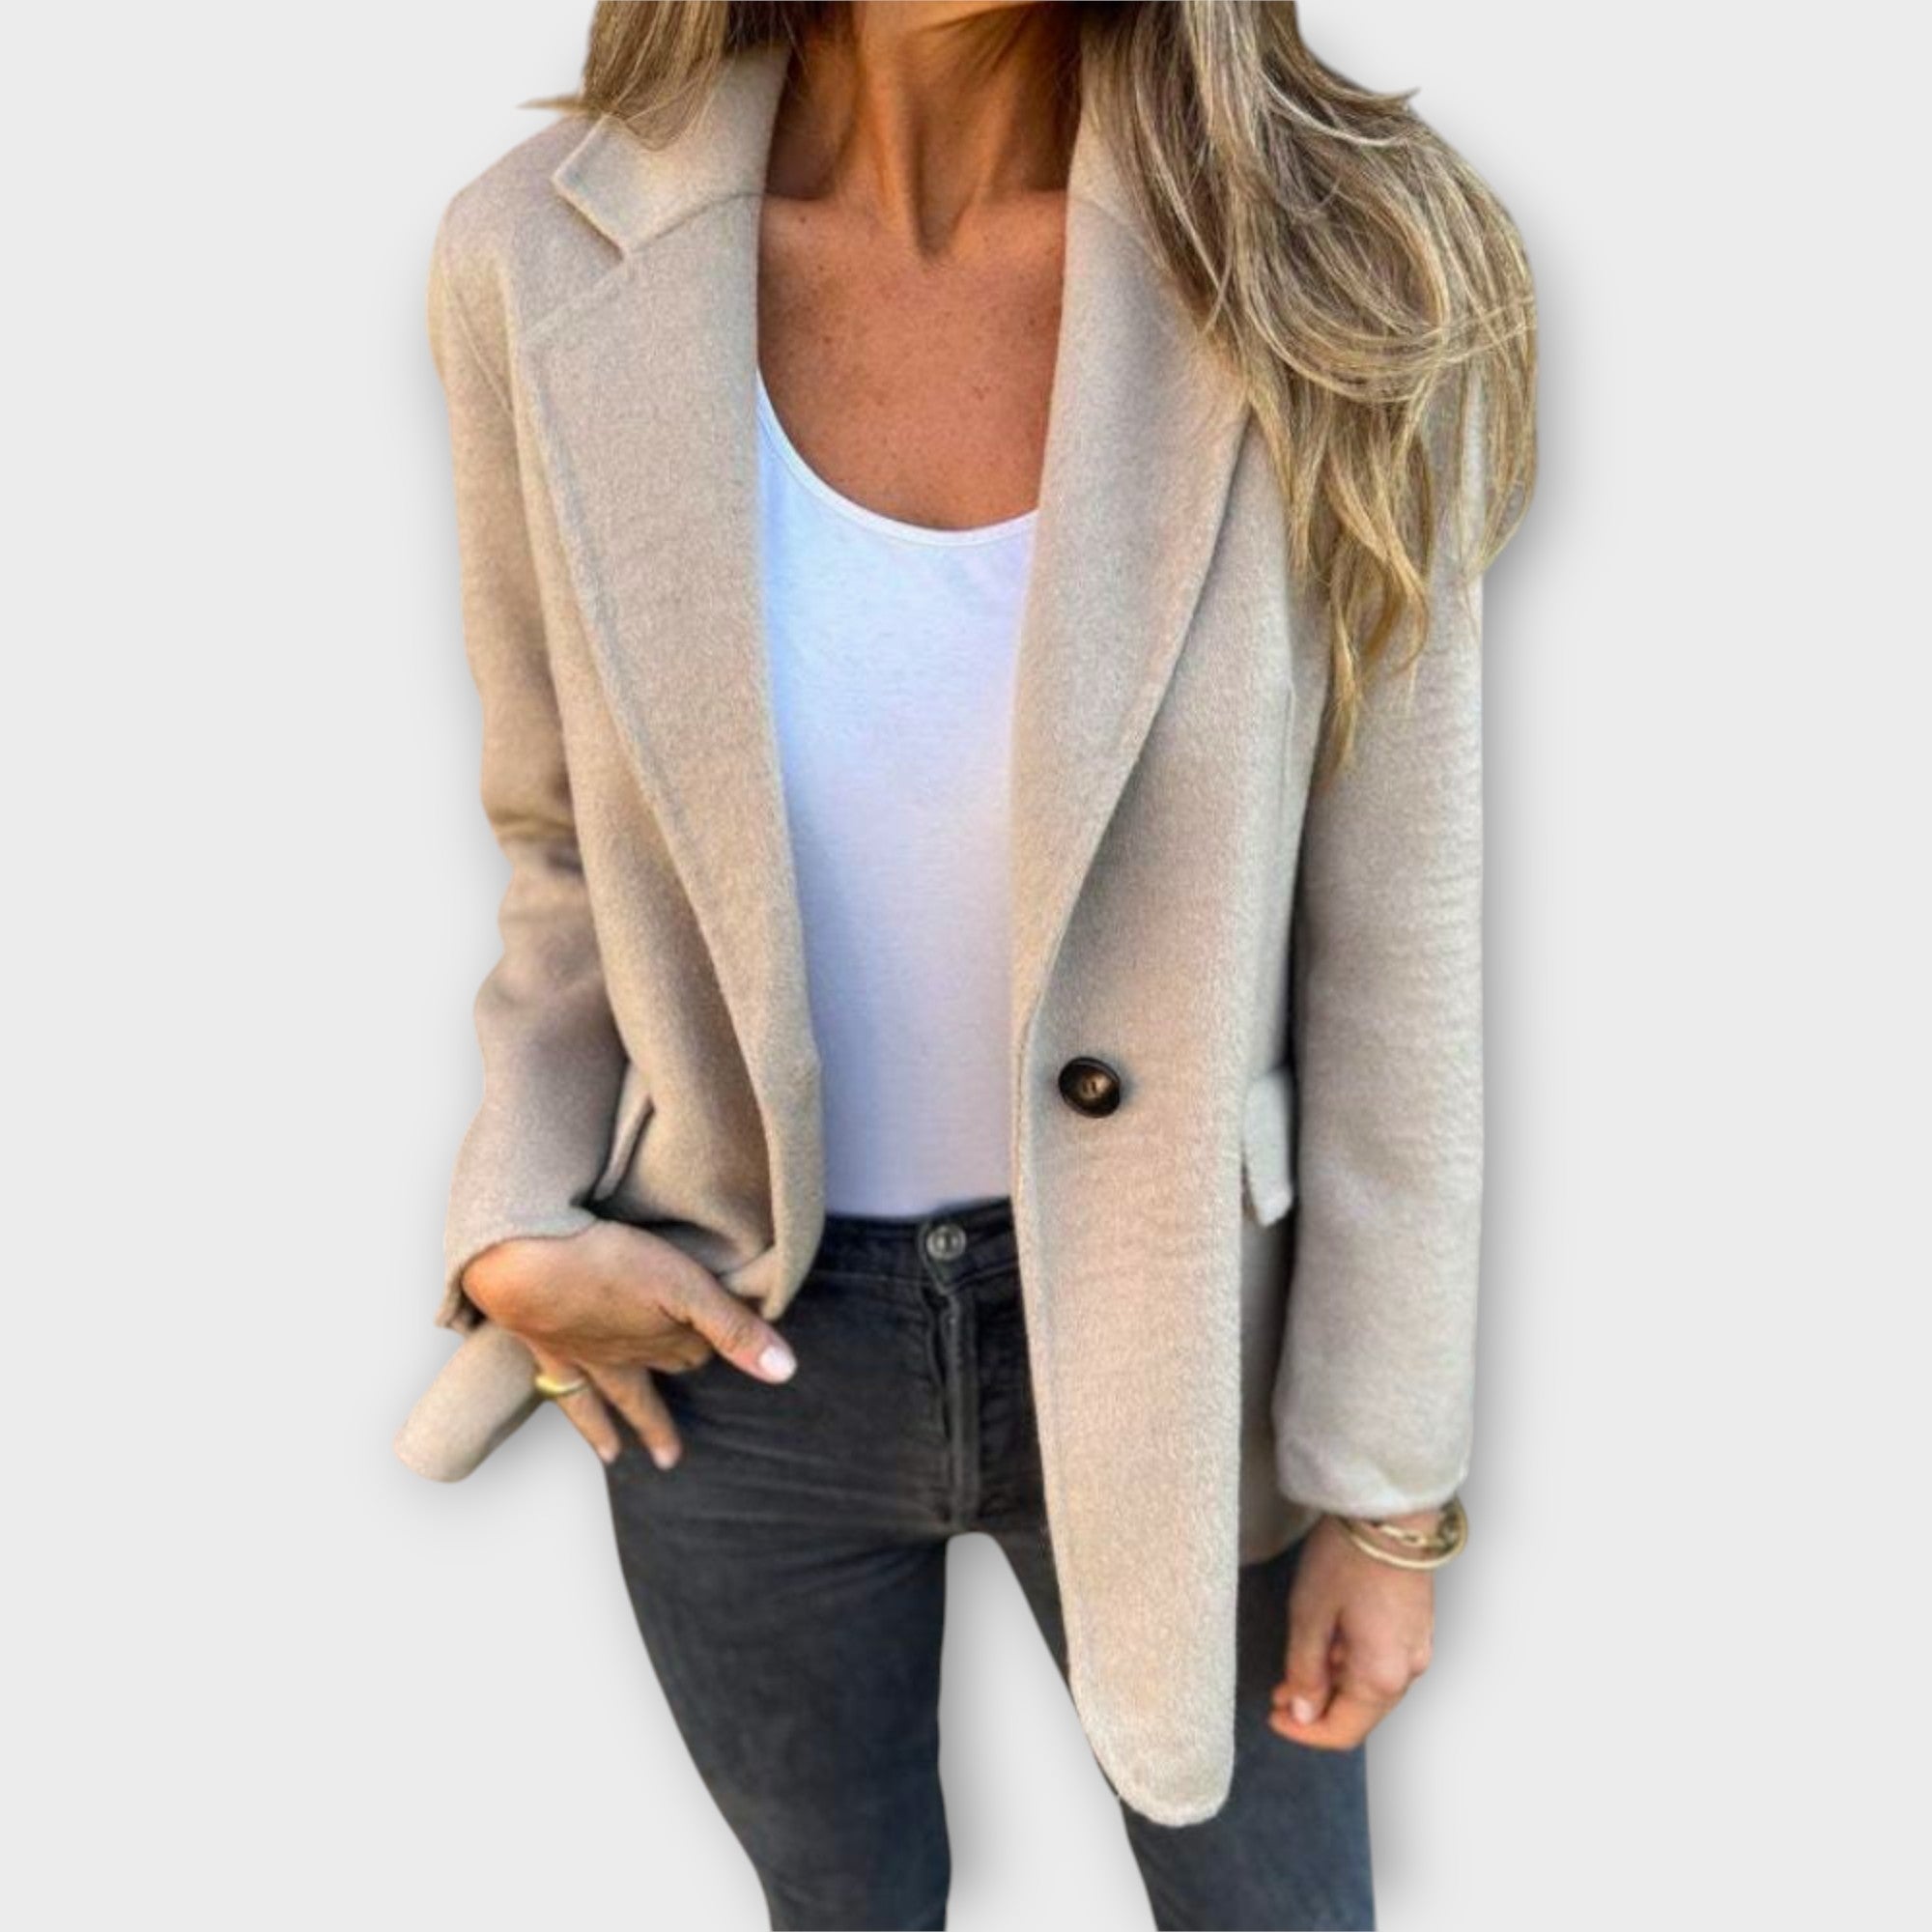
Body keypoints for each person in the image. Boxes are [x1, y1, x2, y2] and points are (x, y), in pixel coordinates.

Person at [403, 3, 1536, 1924]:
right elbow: (561, 841)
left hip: (1197, 1335)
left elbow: (1396, 936)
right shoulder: (538, 248)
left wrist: (1388, 1488)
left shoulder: (1343, 244)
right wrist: (513, 1211)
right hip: (737, 1343)